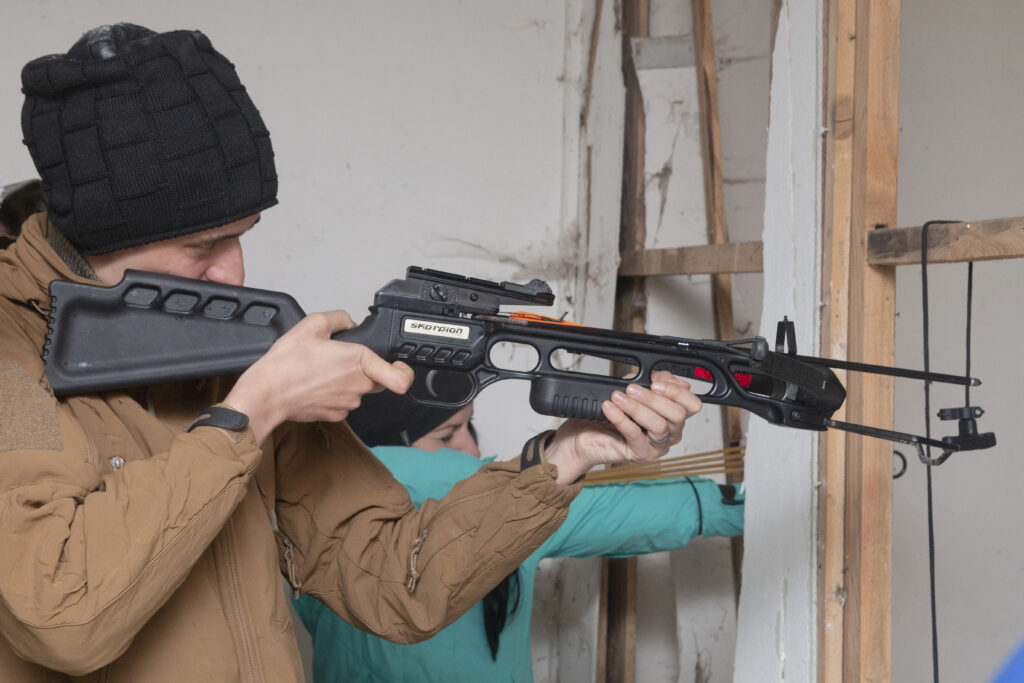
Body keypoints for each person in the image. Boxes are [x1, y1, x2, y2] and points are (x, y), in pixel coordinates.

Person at [0, 24, 703, 682]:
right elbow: (60, 614)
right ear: (101, 236)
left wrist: (563, 456)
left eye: (242, 236)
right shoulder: (9, 369)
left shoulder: (218, 345)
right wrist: (252, 411)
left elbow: (394, 577)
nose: (233, 273)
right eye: (201, 247)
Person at [295, 392, 744, 682]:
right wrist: (746, 500)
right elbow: (644, 510)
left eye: (469, 426)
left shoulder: (311, 512)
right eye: (448, 435)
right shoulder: (506, 504)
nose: (472, 449)